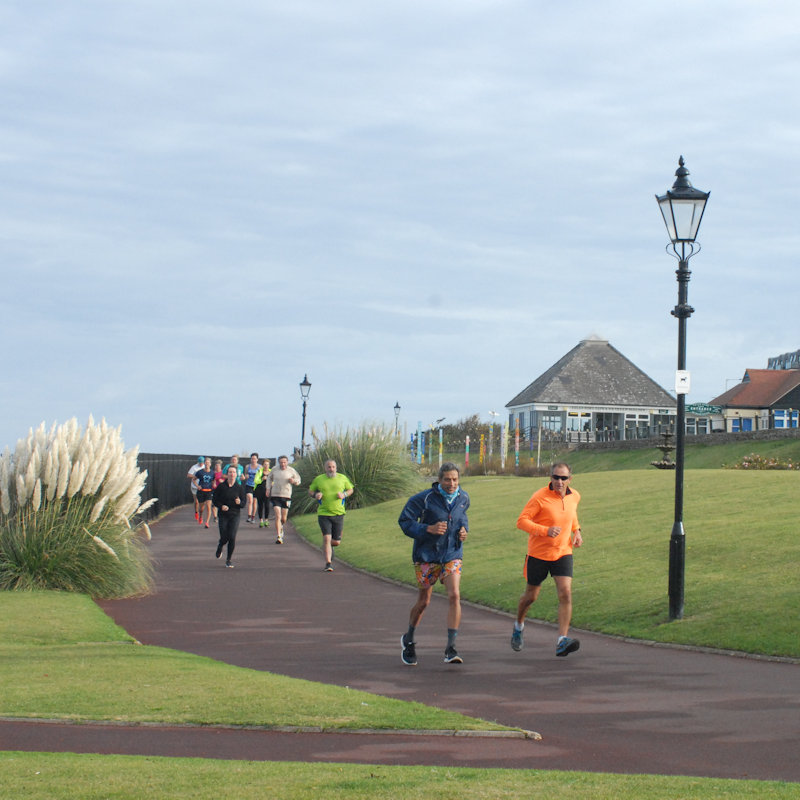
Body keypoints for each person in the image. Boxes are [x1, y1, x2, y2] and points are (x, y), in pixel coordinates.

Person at [398, 462, 469, 666]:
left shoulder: (463, 498)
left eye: (455, 479)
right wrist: (428, 529)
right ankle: (409, 639)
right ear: (439, 480)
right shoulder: (424, 499)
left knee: (455, 595)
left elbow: (462, 518)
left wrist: (464, 531)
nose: (451, 483)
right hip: (427, 555)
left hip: (452, 554)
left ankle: (451, 648)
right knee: (424, 601)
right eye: (447, 479)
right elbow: (405, 522)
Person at [511, 461, 583, 658]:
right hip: (538, 554)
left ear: (570, 479)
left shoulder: (574, 496)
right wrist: (545, 531)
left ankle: (562, 640)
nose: (559, 482)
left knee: (566, 593)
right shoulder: (539, 497)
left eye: (563, 478)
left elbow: (571, 514)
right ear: (550, 478)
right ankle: (518, 625)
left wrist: (577, 531)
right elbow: (522, 521)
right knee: (531, 597)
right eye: (555, 477)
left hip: (563, 552)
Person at [308, 459, 354, 571]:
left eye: (333, 467)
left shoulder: (342, 478)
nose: (331, 469)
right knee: (327, 538)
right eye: (329, 467)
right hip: (324, 513)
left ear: (336, 468)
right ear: (325, 468)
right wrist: (316, 495)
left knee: (336, 542)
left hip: (338, 513)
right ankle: (328, 563)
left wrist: (344, 494)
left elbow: (350, 489)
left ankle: (328, 546)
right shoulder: (319, 479)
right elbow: (310, 491)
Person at [212, 465, 246, 568]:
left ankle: (229, 560)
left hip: (235, 515)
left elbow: (244, 503)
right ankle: (220, 545)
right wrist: (221, 506)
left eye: (234, 472)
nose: (232, 474)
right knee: (224, 536)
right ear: (227, 474)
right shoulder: (221, 487)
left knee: (232, 537)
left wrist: (239, 502)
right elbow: (215, 500)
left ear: (236, 474)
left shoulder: (239, 488)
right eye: (230, 472)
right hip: (223, 515)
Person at [267, 455, 301, 544]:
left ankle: (281, 526)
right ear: (279, 462)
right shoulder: (274, 469)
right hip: (275, 495)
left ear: (287, 462)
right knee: (278, 515)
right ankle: (279, 536)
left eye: (284, 462)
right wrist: (268, 489)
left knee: (284, 518)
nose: (283, 464)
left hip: (286, 495)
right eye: (281, 462)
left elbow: (298, 480)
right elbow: (269, 479)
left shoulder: (291, 470)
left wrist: (294, 481)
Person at [192, 456, 215, 528]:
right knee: (202, 508)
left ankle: (207, 522)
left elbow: (214, 480)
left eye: (208, 463)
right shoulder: (200, 472)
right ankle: (200, 516)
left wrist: (213, 484)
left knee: (208, 506)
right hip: (201, 491)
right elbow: (194, 479)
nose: (207, 464)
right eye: (206, 463)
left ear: (210, 464)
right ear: (204, 463)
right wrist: (197, 486)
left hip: (209, 491)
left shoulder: (212, 473)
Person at [243, 453, 261, 523]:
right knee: (250, 500)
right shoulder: (247, 466)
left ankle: (253, 517)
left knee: (255, 501)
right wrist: (246, 476)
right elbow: (245, 474)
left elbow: (261, 475)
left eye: (254, 459)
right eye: (252, 459)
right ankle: (249, 516)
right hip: (249, 484)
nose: (253, 460)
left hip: (256, 485)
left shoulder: (260, 467)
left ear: (257, 459)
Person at [253, 458, 271, 528]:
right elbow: (256, 480)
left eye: (267, 464)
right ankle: (261, 520)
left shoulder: (271, 472)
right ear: (262, 465)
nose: (266, 466)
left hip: (268, 490)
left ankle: (266, 520)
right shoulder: (259, 471)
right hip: (260, 490)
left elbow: (274, 480)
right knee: (260, 505)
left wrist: (272, 483)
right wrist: (262, 479)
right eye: (265, 464)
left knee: (267, 505)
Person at [187, 456, 204, 521]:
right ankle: (196, 512)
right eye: (200, 463)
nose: (201, 464)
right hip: (194, 486)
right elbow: (188, 475)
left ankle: (201, 515)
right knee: (196, 501)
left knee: (202, 502)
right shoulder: (194, 467)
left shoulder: (205, 467)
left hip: (202, 486)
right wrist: (196, 476)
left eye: (202, 463)